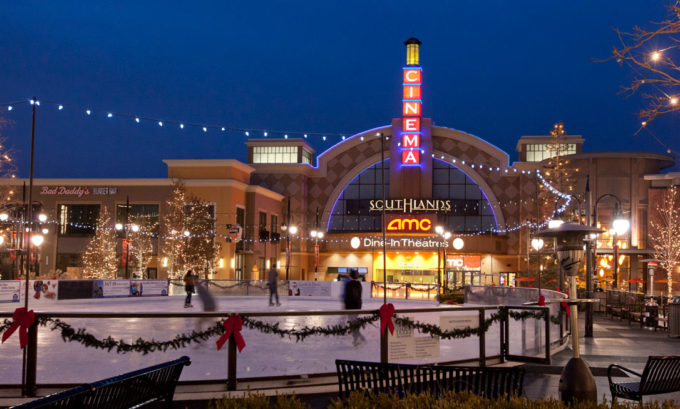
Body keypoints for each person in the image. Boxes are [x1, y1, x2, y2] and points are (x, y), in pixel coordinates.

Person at [344, 269, 365, 346]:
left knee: (352, 324)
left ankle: (358, 339)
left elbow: (348, 297)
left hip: (351, 307)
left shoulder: (349, 285)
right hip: (357, 307)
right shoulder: (359, 284)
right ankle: (359, 338)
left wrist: (346, 307)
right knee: (354, 323)